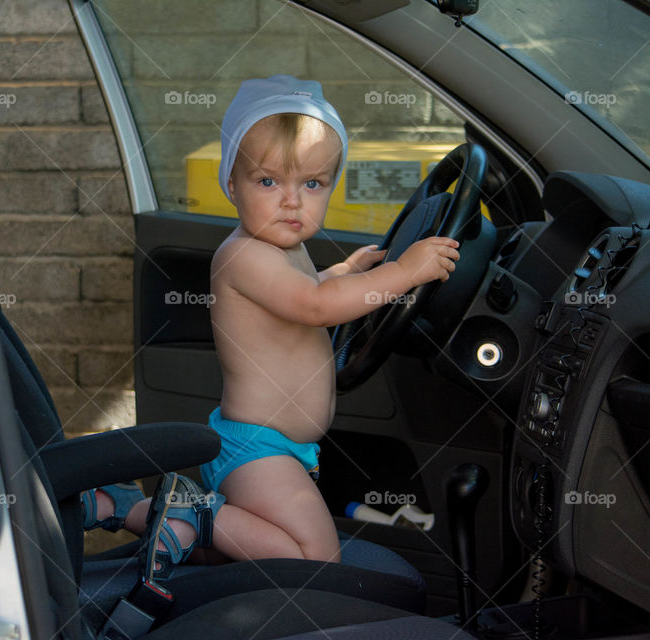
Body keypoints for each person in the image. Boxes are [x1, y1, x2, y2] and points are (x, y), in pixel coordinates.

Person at [82, 74, 460, 582]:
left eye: (312, 184)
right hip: (257, 450)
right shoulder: (244, 255)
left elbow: (306, 289)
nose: (291, 201)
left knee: (232, 551)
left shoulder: (283, 251)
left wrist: (348, 272)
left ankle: (128, 508)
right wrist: (404, 273)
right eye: (268, 182)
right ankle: (173, 510)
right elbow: (313, 305)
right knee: (314, 560)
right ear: (231, 186)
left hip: (281, 449)